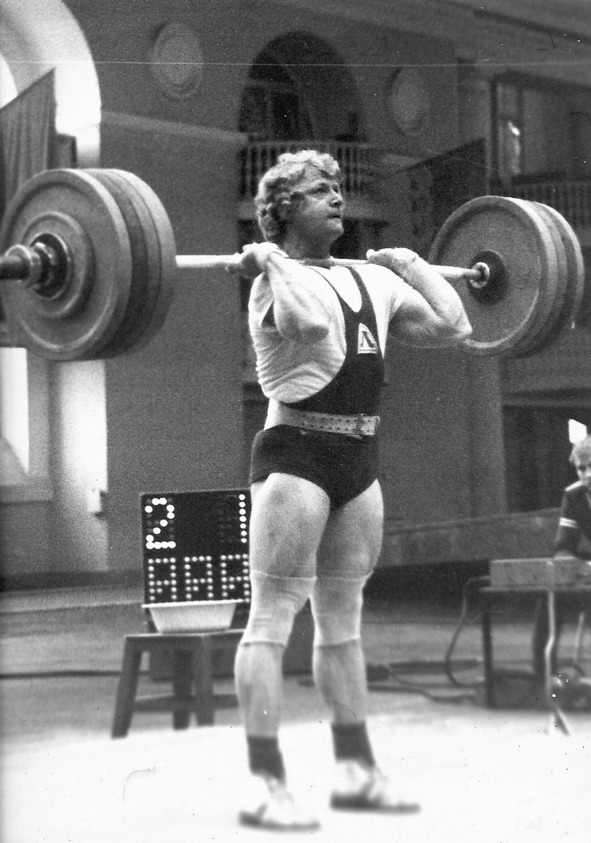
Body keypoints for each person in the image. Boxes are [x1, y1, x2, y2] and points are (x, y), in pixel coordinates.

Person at [232, 149, 472, 831]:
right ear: (284, 211)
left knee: (342, 622)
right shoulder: (271, 285)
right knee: (272, 617)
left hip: (359, 456)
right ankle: (264, 781)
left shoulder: (371, 279)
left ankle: (355, 770)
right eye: (318, 191)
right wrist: (271, 263)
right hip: (297, 454)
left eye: (337, 187)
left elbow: (454, 325)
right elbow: (309, 326)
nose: (336, 197)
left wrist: (411, 265)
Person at [532, 434, 591, 680]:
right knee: (550, 600)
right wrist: (570, 563)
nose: (587, 474)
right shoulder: (574, 496)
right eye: (581, 468)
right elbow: (563, 546)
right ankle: (544, 679)